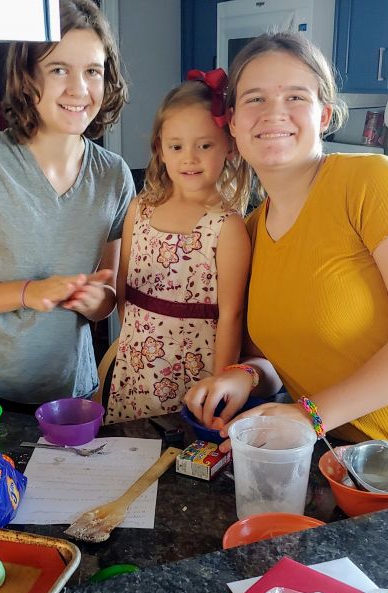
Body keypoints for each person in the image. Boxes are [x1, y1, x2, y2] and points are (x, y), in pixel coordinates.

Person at [184, 33, 388, 482]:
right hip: (350, 468)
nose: (274, 112)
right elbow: (281, 357)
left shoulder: (368, 182)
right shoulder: (252, 230)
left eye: (295, 96)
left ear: (323, 116)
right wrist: (246, 374)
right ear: (234, 123)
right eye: (255, 98)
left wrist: (308, 417)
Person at [0, 0, 135, 411]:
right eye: (59, 69)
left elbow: (110, 293)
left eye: (92, 71)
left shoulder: (114, 176)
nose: (79, 88)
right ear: (27, 78)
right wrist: (28, 292)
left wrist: (99, 301)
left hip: (68, 394)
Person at [104, 71, 250, 424]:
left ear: (228, 147)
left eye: (205, 145)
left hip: (194, 375)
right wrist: (135, 345)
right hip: (136, 368)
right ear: (159, 148)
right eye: (177, 146)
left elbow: (232, 316)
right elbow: (125, 287)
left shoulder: (227, 227)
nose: (190, 158)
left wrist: (218, 385)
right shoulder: (139, 209)